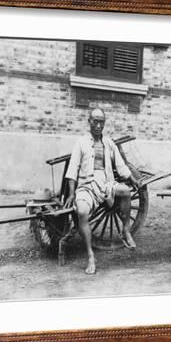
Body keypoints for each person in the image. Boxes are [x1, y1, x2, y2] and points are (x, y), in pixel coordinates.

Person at [64, 108, 140, 274]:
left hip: (106, 183)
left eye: (101, 122)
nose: (98, 125)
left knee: (125, 191)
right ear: (89, 122)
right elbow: (72, 168)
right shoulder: (81, 142)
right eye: (95, 121)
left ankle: (125, 230)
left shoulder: (109, 143)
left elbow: (120, 166)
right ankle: (90, 256)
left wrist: (132, 179)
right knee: (82, 211)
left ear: (104, 124)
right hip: (87, 185)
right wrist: (71, 194)